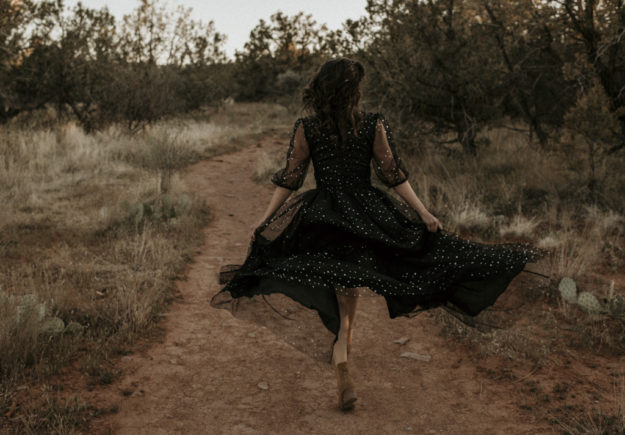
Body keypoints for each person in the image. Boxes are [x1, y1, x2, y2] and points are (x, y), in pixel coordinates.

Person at [211, 57, 545, 412]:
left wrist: (265, 220)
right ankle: (343, 352)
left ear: (321, 88)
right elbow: (393, 175)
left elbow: (290, 179)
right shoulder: (372, 124)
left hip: (322, 214)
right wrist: (423, 212)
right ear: (353, 91)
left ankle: (343, 351)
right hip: (365, 213)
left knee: (341, 283)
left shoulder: (307, 127)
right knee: (350, 284)